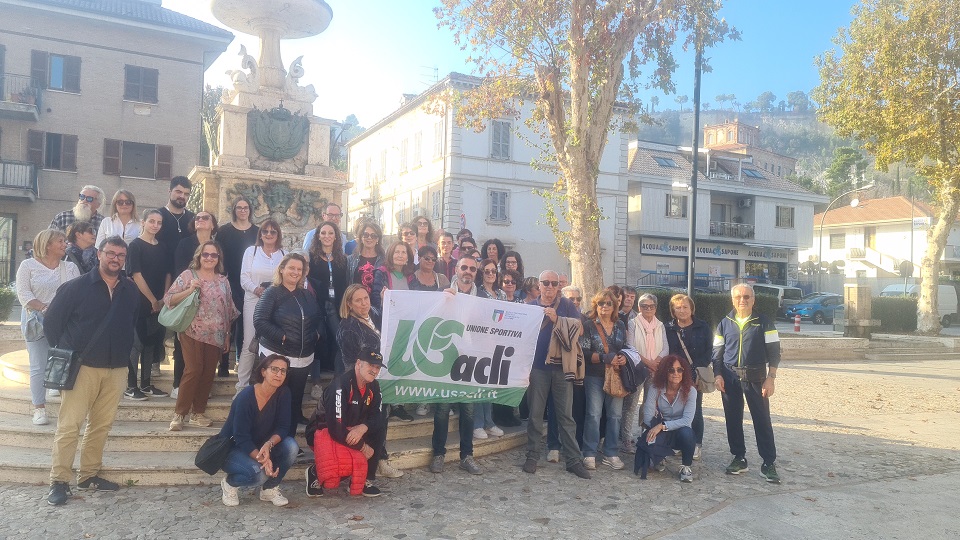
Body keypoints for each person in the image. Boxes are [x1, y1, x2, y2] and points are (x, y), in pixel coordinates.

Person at [44, 236, 140, 506]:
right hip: (83, 367)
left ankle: (88, 475)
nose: (115, 259)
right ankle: (59, 480)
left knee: (101, 425)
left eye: (120, 255)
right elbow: (52, 324)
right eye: (110, 253)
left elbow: (131, 322)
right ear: (99, 254)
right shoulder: (75, 288)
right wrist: (70, 352)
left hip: (116, 368)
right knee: (69, 425)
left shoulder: (130, 290)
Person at [521, 270, 591, 479]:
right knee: (535, 415)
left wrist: (557, 319)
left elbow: (579, 330)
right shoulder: (530, 307)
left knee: (566, 417)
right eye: (546, 283)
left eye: (554, 283)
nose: (550, 286)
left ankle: (573, 460)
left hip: (561, 368)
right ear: (539, 285)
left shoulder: (567, 305)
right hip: (537, 368)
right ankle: (532, 455)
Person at [165, 241, 239, 431]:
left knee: (208, 373)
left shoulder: (223, 281)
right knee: (193, 369)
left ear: (218, 258)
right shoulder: (188, 275)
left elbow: (228, 310)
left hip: (216, 334)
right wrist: (189, 290)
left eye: (214, 255)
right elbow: (169, 299)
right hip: (192, 331)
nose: (209, 258)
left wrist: (228, 336)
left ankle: (198, 412)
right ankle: (179, 414)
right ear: (199, 256)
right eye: (205, 254)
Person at [713, 283, 782, 484]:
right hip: (729, 377)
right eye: (738, 297)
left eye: (746, 296)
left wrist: (771, 378)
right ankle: (739, 458)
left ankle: (768, 462)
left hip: (756, 377)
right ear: (732, 300)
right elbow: (717, 353)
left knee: (762, 419)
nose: (742, 300)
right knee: (732, 419)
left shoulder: (764, 322)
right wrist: (717, 375)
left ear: (753, 299)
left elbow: (775, 352)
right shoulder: (724, 323)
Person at [15, 229, 80, 426]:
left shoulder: (70, 267)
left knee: (65, 362)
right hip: (36, 321)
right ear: (47, 244)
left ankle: (67, 408)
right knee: (38, 364)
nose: (65, 244)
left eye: (65, 241)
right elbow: (23, 294)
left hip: (63, 322)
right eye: (60, 241)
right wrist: (44, 308)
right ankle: (39, 409)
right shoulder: (28, 266)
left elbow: (77, 293)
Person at [254, 253, 321, 442]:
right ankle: (267, 441)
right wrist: (282, 336)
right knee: (274, 401)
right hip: (277, 356)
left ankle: (288, 442)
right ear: (282, 269)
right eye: (292, 268)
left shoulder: (307, 295)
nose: (295, 272)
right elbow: (260, 321)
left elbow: (318, 318)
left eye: (299, 269)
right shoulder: (272, 293)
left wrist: (317, 334)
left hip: (302, 359)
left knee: (294, 401)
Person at [218, 353, 299, 507]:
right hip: (234, 449)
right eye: (274, 369)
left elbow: (283, 427)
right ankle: (229, 483)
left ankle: (269, 489)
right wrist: (263, 459)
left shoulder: (284, 393)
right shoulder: (246, 397)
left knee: (291, 446)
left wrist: (269, 444)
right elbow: (241, 437)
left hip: (262, 445)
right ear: (263, 372)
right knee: (259, 475)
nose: (279, 374)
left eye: (283, 371)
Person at [305, 349, 387, 497]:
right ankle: (314, 472)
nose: (375, 370)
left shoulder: (374, 386)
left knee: (379, 426)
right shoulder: (340, 385)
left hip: (352, 428)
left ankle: (366, 478)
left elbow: (378, 416)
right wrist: (362, 447)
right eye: (371, 365)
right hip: (323, 431)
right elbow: (335, 429)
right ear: (358, 364)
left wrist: (363, 427)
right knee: (341, 465)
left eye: (378, 367)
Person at [579, 289, 630, 471]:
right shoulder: (589, 325)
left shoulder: (620, 325)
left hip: (616, 375)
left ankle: (611, 453)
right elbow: (584, 353)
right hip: (594, 375)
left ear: (615, 306)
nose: (605, 306)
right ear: (596, 306)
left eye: (609, 303)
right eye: (601, 303)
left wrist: (623, 357)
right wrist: (603, 358)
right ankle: (589, 453)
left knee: (615, 415)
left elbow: (624, 347)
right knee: (593, 415)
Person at [171, 210, 219, 393]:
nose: (200, 220)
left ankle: (202, 386)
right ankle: (178, 384)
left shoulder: (217, 246)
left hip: (210, 303)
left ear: (213, 224)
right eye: (197, 218)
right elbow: (179, 271)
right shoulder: (185, 243)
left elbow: (221, 270)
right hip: (188, 297)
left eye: (205, 217)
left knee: (206, 349)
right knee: (182, 345)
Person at [124, 209, 170, 400]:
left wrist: (164, 298)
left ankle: (146, 384)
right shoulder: (135, 246)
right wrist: (152, 300)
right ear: (143, 222)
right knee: (136, 344)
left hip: (159, 302)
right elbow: (136, 275)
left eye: (159, 222)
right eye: (151, 221)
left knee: (151, 343)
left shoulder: (163, 246)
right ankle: (130, 386)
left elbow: (168, 273)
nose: (155, 225)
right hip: (139, 302)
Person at [237, 220, 285, 392]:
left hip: (277, 303)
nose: (269, 234)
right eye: (265, 231)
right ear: (260, 234)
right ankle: (241, 386)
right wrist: (256, 289)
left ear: (278, 234)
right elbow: (244, 277)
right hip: (253, 300)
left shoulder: (284, 254)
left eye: (273, 231)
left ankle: (272, 384)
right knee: (249, 343)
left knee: (274, 343)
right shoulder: (252, 251)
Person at [665, 294, 713, 461]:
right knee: (675, 409)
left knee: (695, 409)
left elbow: (709, 351)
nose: (682, 310)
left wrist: (693, 372)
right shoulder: (668, 328)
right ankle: (678, 443)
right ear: (673, 310)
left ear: (692, 309)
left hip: (695, 374)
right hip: (673, 374)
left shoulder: (703, 327)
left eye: (685, 307)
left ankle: (696, 443)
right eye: (678, 307)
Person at [371, 240, 414, 421]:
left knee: (400, 364)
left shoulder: (411, 277)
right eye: (397, 252)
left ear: (408, 257)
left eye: (404, 252)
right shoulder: (381, 273)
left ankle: (398, 405)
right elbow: (374, 298)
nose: (400, 255)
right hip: (386, 326)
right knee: (384, 363)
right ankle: (382, 402)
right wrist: (382, 299)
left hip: (405, 328)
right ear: (390, 254)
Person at [638, 354, 698, 482]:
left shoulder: (691, 391)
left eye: (680, 370)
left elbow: (687, 420)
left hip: (679, 431)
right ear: (664, 372)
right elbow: (648, 416)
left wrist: (662, 426)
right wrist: (657, 428)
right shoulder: (655, 388)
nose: (676, 373)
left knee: (688, 433)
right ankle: (659, 457)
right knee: (650, 434)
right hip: (661, 432)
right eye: (671, 370)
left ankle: (686, 467)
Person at [217, 197, 259, 372]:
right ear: (234, 210)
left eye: (246, 207)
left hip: (249, 283)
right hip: (230, 280)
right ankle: (223, 364)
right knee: (228, 321)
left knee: (245, 321)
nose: (243, 210)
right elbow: (219, 255)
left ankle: (240, 360)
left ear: (250, 210)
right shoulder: (224, 231)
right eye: (239, 207)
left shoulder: (257, 231)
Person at [625, 293, 668, 454]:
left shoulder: (660, 325)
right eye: (644, 306)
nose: (648, 309)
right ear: (639, 307)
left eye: (651, 306)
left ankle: (645, 437)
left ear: (655, 307)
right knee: (630, 405)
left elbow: (665, 347)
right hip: (637, 369)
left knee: (650, 405)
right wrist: (648, 363)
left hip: (655, 370)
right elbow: (630, 347)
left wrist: (655, 363)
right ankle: (626, 439)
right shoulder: (633, 324)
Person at [308, 221, 347, 376]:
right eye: (323, 233)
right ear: (318, 236)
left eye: (331, 233)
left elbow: (344, 283)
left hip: (337, 304)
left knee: (338, 337)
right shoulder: (311, 258)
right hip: (317, 303)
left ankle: (337, 374)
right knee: (318, 337)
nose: (327, 236)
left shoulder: (342, 259)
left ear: (336, 236)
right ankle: (316, 378)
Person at [157, 177, 195, 275]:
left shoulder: (194, 219)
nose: (182, 196)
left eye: (186, 194)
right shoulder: (156, 216)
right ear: (169, 191)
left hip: (187, 274)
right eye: (178, 192)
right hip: (159, 271)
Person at [347, 221, 384, 294]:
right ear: (361, 237)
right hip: (356, 299)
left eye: (373, 235)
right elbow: (347, 284)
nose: (369, 238)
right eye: (366, 234)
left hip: (377, 300)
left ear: (378, 239)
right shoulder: (351, 260)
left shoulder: (384, 260)